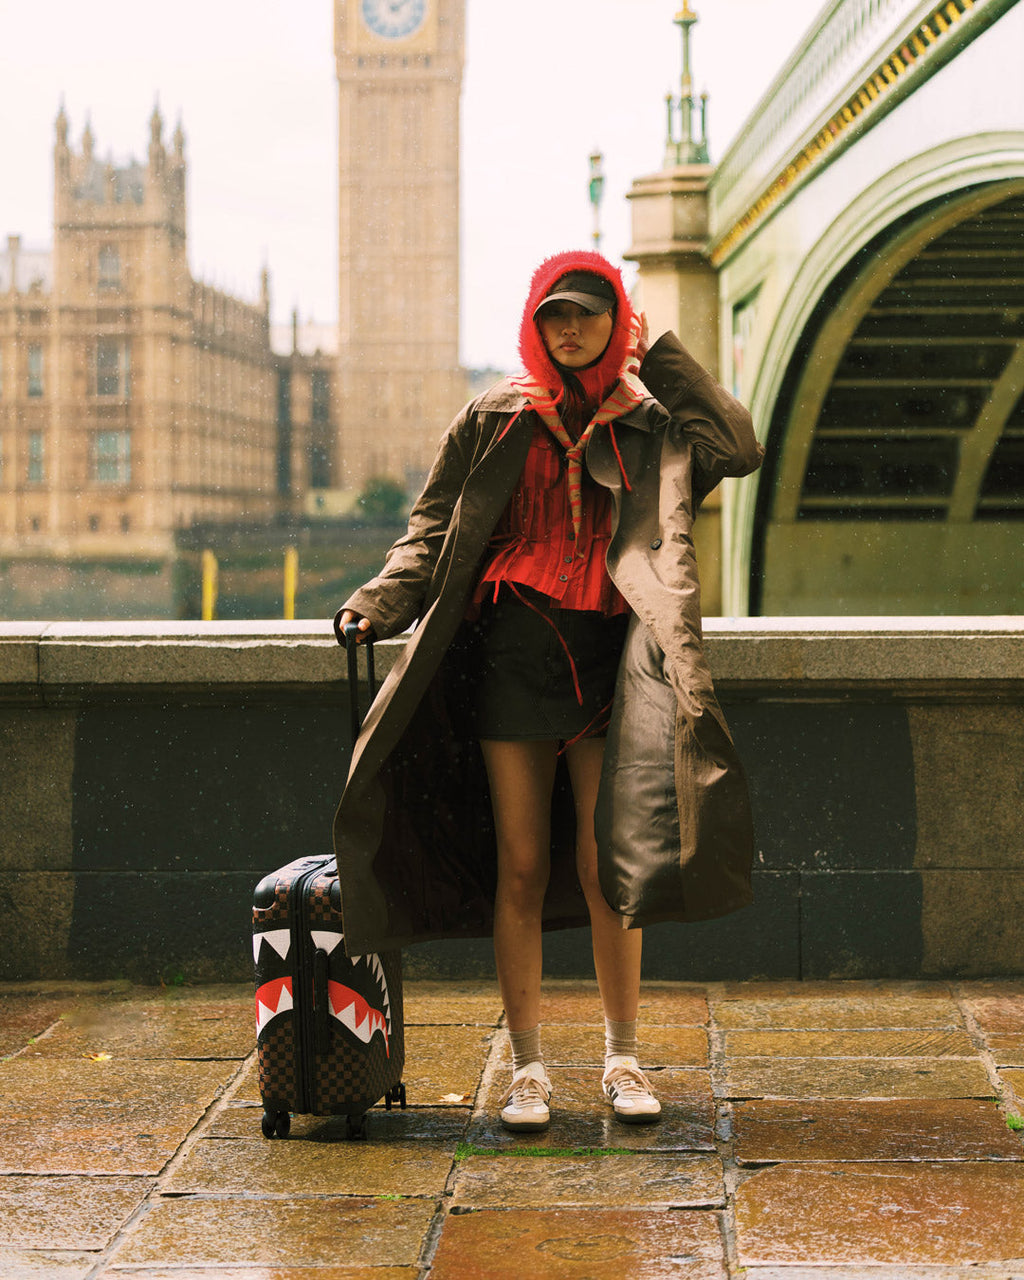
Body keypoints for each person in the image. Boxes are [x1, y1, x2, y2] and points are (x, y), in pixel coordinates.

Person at [334, 249, 763, 1133]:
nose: (570, 330)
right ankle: (528, 1070)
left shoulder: (649, 421)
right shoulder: (494, 416)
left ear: (617, 322)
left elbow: (740, 444)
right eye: (554, 316)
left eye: (590, 315)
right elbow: (430, 529)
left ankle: (622, 1056)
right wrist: (379, 600)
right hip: (510, 663)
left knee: (609, 868)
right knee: (522, 865)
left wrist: (659, 357)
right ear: (534, 324)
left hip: (609, 661)